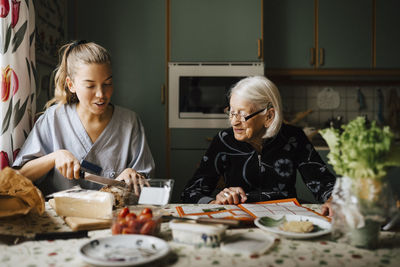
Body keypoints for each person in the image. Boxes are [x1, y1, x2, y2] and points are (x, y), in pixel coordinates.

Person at [13, 40, 155, 196]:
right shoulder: (54, 118)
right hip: (61, 217)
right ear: (71, 84)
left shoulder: (130, 122)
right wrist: (54, 157)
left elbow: (145, 185)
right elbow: (18, 177)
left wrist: (133, 175)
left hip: (113, 216)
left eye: (107, 83)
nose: (101, 94)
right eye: (90, 86)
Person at [181, 76, 335, 216]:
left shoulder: (293, 138)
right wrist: (214, 202)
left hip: (284, 220)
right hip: (240, 220)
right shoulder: (224, 140)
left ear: (268, 116)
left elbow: (323, 183)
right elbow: (191, 192)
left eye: (242, 114)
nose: (234, 121)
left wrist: (333, 199)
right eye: (231, 112)